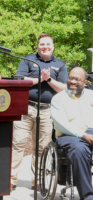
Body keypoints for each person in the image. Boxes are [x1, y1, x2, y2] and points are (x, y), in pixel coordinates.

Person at [11, 33, 68, 191]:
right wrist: (40, 79)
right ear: (37, 46)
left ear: (53, 46)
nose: (45, 47)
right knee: (18, 144)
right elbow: (20, 79)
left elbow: (64, 88)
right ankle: (10, 180)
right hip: (25, 107)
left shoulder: (60, 64)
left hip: (47, 111)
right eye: (42, 44)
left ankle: (38, 181)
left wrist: (49, 79)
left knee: (42, 147)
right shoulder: (29, 59)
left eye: (48, 44)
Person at [51, 67, 93, 200]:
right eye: (70, 78)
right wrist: (83, 135)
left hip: (90, 131)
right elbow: (63, 124)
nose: (73, 81)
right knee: (79, 149)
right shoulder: (58, 99)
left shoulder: (91, 95)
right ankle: (88, 197)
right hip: (68, 135)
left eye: (77, 79)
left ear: (85, 82)